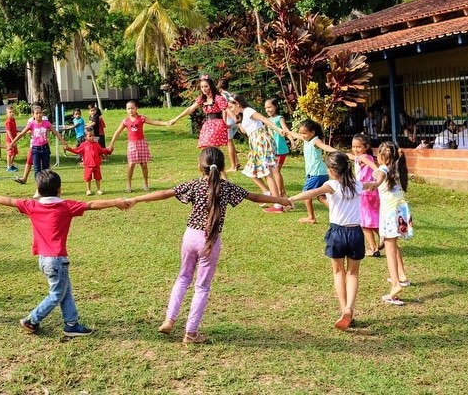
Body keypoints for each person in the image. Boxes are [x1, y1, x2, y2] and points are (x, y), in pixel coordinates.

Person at [124, 147, 291, 343]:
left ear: (199, 167)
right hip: (209, 240)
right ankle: (191, 333)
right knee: (201, 287)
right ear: (221, 168)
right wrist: (281, 200)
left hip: (190, 236)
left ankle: (169, 320)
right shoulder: (227, 187)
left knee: (183, 278)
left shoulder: (195, 185)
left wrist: (135, 199)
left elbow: (164, 193)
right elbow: (255, 197)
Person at [0, 169, 128, 337]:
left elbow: (10, 201)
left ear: (38, 190)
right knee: (57, 294)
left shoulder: (32, 205)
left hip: (44, 260)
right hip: (57, 260)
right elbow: (92, 204)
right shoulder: (66, 206)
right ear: (59, 189)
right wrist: (115, 201)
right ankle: (32, 319)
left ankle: (71, 324)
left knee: (65, 290)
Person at [288, 152, 364, 330]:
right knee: (352, 273)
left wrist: (290, 199)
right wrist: (382, 171)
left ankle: (343, 309)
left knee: (339, 272)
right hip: (355, 233)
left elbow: (312, 192)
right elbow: (375, 183)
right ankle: (349, 309)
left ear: (331, 170)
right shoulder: (358, 185)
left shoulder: (330, 185)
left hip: (337, 233)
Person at [361, 142, 413, 306]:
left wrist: (366, 185)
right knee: (393, 245)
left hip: (390, 214)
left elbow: (377, 181)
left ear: (381, 156)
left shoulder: (383, 170)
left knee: (390, 251)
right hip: (401, 212)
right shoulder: (398, 167)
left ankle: (395, 284)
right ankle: (401, 277)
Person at [225, 95, 286, 200]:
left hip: (260, 141)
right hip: (255, 143)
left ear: (237, 104)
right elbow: (245, 131)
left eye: (231, 107)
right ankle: (268, 193)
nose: (231, 109)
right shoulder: (244, 115)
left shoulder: (248, 111)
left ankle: (277, 203)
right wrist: (237, 121)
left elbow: (263, 119)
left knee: (267, 173)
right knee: (250, 171)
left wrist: (277, 129)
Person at [108, 100, 167, 192]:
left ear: (136, 108)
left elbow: (154, 122)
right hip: (131, 144)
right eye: (128, 109)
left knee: (144, 165)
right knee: (131, 165)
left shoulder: (141, 118)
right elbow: (117, 132)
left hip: (141, 143)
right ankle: (128, 185)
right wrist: (112, 143)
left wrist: (166, 123)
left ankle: (146, 184)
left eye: (132, 108)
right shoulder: (125, 121)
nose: (130, 110)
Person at [166, 76, 230, 159]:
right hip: (207, 125)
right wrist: (175, 119)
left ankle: (218, 168)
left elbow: (225, 109)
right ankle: (214, 169)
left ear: (211, 86)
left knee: (213, 150)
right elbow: (190, 109)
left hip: (217, 124)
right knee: (205, 149)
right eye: (202, 87)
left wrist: (228, 121)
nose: (204, 89)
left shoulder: (218, 98)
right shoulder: (202, 98)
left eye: (206, 86)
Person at [284, 120, 331, 223]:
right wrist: (286, 131)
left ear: (312, 132)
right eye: (301, 133)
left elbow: (325, 147)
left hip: (316, 174)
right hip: (321, 173)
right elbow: (295, 134)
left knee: (306, 195)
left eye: (304, 133)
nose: (302, 135)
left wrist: (339, 152)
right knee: (321, 197)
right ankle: (338, 212)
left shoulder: (315, 141)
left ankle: (311, 217)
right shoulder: (307, 139)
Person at [10, 105, 68, 188]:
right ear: (33, 115)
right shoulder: (31, 124)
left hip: (45, 148)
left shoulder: (46, 123)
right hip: (35, 149)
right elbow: (22, 133)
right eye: (36, 113)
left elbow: (56, 132)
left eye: (40, 113)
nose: (39, 115)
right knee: (37, 170)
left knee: (45, 169)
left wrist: (63, 142)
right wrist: (12, 143)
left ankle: (46, 187)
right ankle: (38, 188)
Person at [65, 127, 112, 195]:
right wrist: (69, 149)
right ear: (85, 137)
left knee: (98, 177)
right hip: (88, 165)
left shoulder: (96, 144)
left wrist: (109, 150)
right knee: (88, 178)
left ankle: (98, 189)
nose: (92, 137)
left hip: (96, 165)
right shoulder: (84, 145)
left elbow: (102, 150)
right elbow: (76, 150)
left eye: (93, 135)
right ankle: (88, 190)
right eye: (90, 136)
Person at [264, 98, 290, 196]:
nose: (268, 110)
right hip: (272, 150)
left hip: (280, 149)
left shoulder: (279, 118)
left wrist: (292, 140)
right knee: (274, 171)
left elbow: (285, 130)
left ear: (276, 106)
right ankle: (282, 194)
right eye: (266, 108)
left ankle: (281, 193)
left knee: (276, 171)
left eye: (270, 107)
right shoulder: (267, 120)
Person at [219, 79, 240, 170]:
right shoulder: (230, 94)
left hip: (229, 120)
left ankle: (233, 166)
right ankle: (237, 162)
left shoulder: (222, 95)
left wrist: (224, 121)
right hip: (235, 120)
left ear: (219, 86)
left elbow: (224, 109)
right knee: (231, 142)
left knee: (229, 142)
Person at [4, 105, 19, 172]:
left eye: (12, 112)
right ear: (7, 114)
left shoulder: (13, 120)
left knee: (15, 152)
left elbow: (14, 129)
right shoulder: (8, 121)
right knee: (10, 153)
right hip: (10, 140)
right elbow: (8, 131)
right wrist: (12, 140)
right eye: (10, 112)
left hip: (14, 139)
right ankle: (8, 166)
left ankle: (11, 164)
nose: (11, 113)